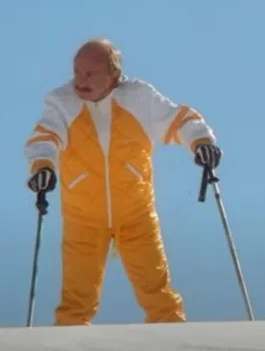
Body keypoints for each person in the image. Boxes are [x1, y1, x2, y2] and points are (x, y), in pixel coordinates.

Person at [24, 38, 223, 325]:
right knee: (75, 302)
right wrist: (42, 166)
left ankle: (175, 342)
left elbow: (178, 120)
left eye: (90, 74)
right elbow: (45, 136)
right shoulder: (62, 102)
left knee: (158, 296)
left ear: (113, 75)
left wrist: (201, 142)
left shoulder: (138, 97)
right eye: (77, 72)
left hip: (136, 214)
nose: (80, 81)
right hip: (83, 218)